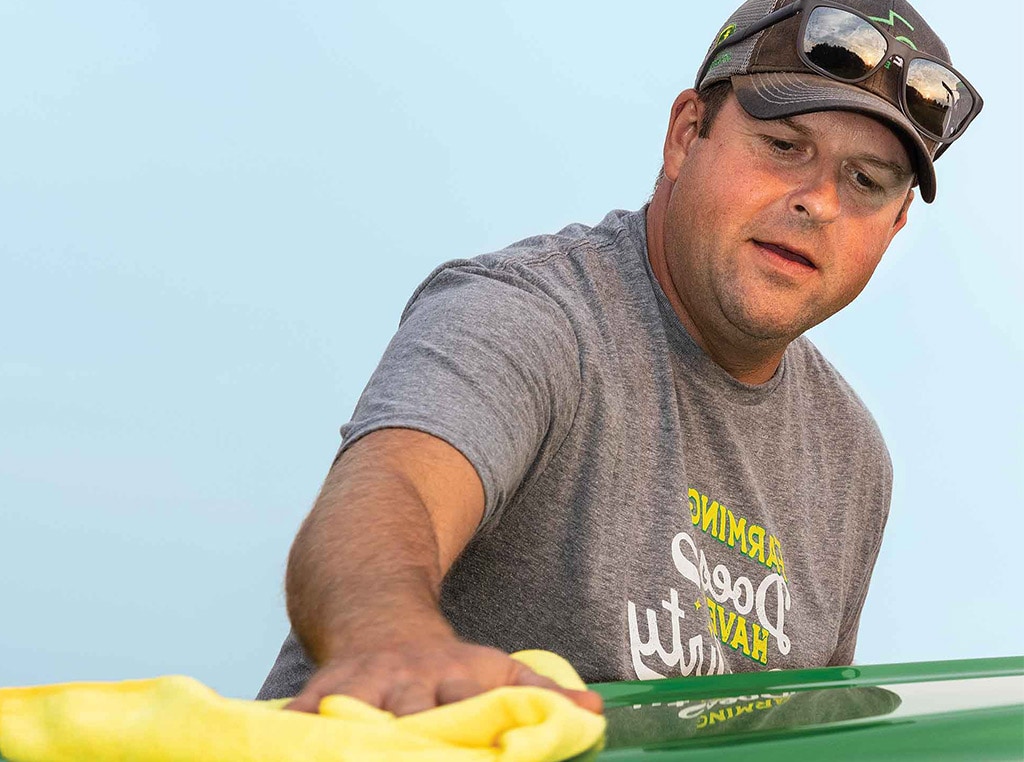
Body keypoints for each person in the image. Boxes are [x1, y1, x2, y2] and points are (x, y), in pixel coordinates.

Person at [257, 0, 982, 717]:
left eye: (865, 182)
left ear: (893, 226)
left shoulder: (851, 458)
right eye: (784, 146)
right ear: (686, 134)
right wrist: (389, 641)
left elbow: (802, 729)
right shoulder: (531, 314)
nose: (819, 201)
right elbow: (390, 490)